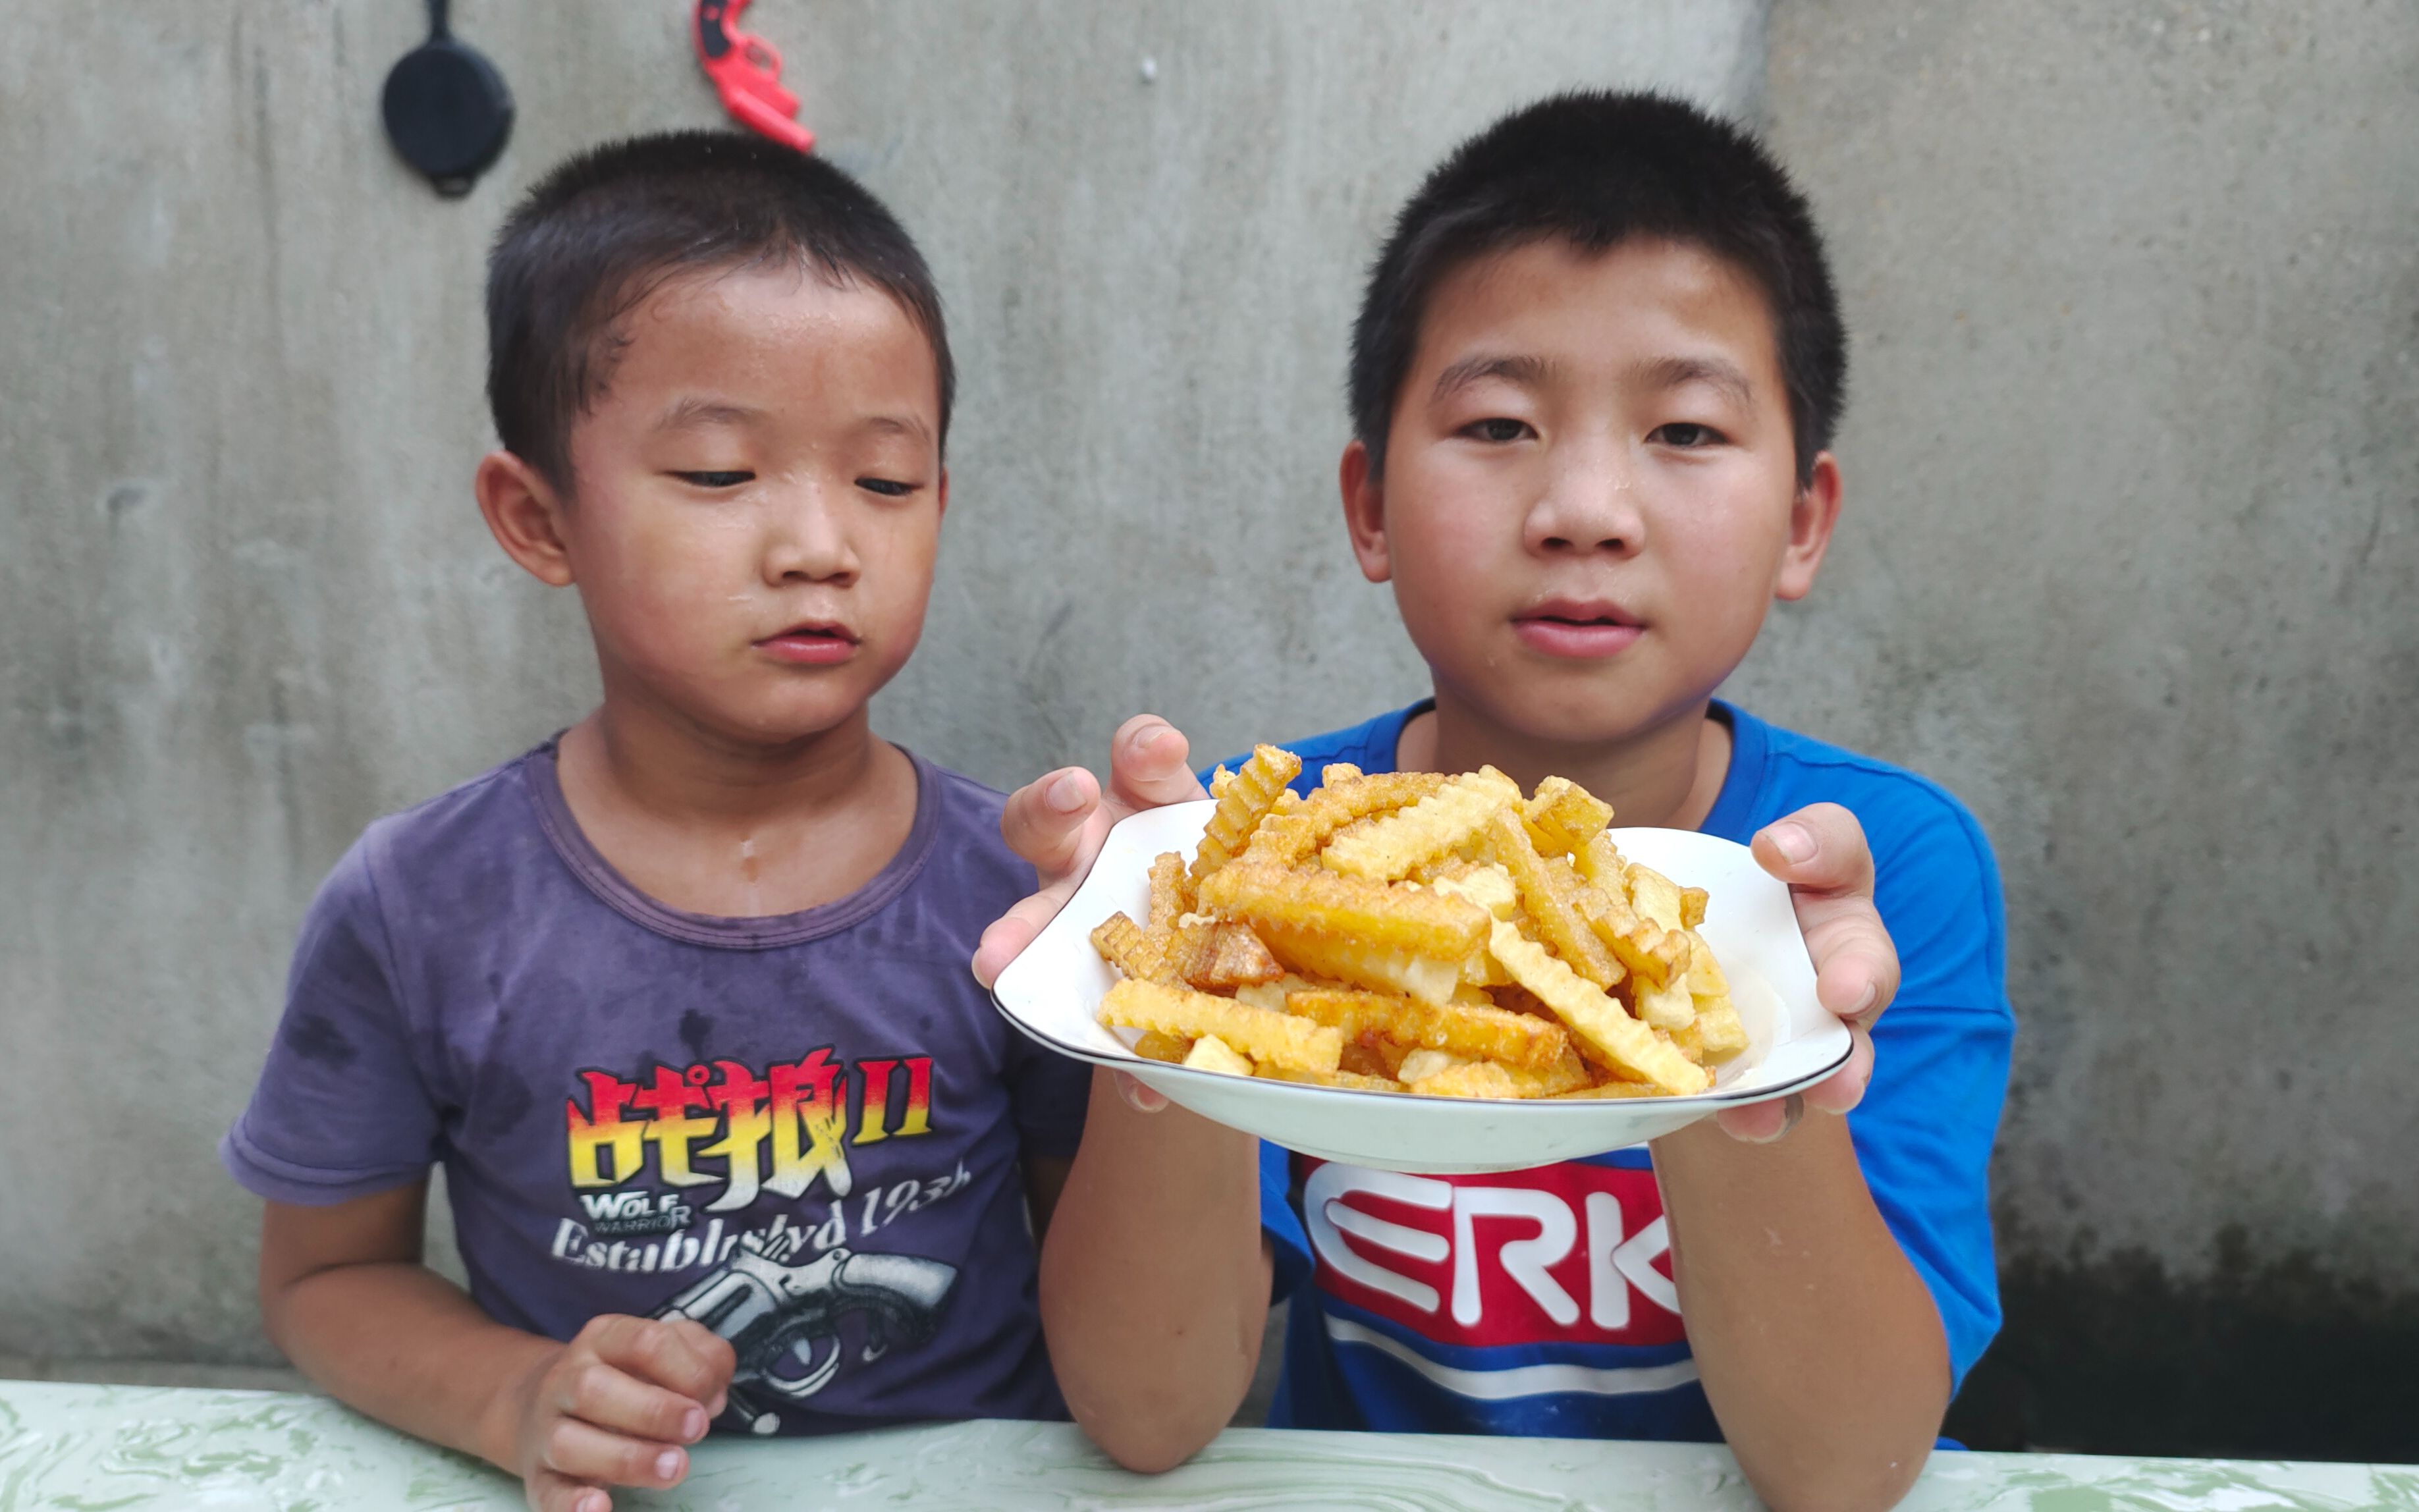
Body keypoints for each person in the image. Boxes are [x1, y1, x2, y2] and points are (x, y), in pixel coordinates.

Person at [973, 92, 2013, 1512]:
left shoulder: (1882, 874)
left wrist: (1751, 1044)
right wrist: (1148, 1006)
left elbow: (1847, 1469)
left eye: (1688, 432)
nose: (1585, 505)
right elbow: (1149, 1415)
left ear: (1804, 519)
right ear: (1372, 508)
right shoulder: (1246, 858)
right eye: (1501, 422)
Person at [221, 132, 1090, 1512]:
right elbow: (329, 1272)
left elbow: (1115, 1298)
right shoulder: (420, 903)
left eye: (884, 482)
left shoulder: (1026, 893)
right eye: (716, 475)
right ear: (537, 515)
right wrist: (514, 1395)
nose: (820, 543)